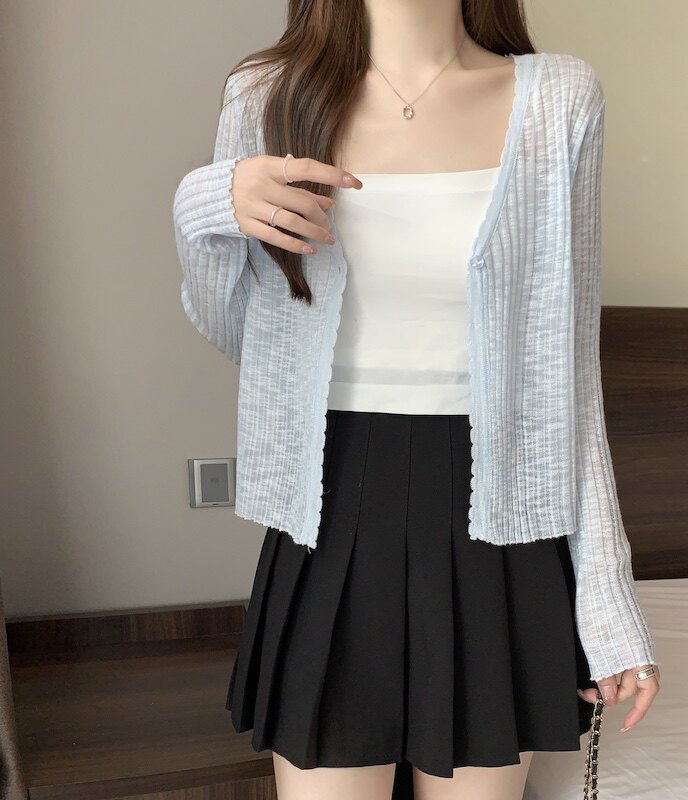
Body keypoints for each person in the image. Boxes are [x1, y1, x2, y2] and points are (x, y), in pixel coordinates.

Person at [172, 2, 661, 798]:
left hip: (502, 519)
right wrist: (208, 204)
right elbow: (242, 335)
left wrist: (608, 603)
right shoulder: (266, 94)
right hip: (329, 510)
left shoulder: (560, 98)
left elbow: (569, 371)